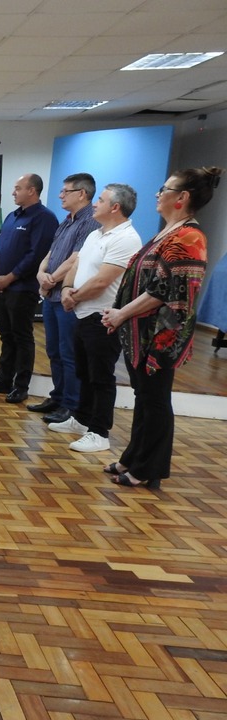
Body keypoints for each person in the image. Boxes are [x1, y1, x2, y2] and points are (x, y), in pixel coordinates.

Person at [100, 166, 222, 489]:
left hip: (161, 339)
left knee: (155, 402)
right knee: (144, 398)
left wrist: (121, 313)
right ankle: (133, 456)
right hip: (142, 336)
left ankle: (148, 468)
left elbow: (164, 293)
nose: (158, 194)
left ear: (181, 198)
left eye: (164, 189)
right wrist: (118, 312)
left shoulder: (190, 237)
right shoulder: (168, 231)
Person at [56, 183, 142, 453]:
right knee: (84, 371)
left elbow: (103, 280)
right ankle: (81, 420)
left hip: (103, 316)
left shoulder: (126, 238)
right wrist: (67, 290)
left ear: (115, 207)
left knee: (101, 377)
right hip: (83, 312)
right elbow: (77, 264)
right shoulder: (96, 233)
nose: (95, 203)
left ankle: (99, 432)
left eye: (101, 200)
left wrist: (74, 297)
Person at [0, 174, 59, 403]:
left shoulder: (44, 218)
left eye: (18, 188)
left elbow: (37, 255)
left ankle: (21, 386)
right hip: (2, 285)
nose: (13, 192)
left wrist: (10, 277)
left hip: (22, 287)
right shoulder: (12, 216)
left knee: (22, 336)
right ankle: (4, 379)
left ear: (32, 191)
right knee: (6, 335)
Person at [29, 174, 101, 425]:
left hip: (65, 296)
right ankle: (58, 396)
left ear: (81, 193)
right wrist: (41, 273)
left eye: (65, 191)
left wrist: (52, 280)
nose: (60, 195)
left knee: (69, 353)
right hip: (51, 294)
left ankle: (71, 405)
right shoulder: (66, 220)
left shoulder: (90, 221)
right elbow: (51, 252)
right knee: (54, 350)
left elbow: (76, 258)